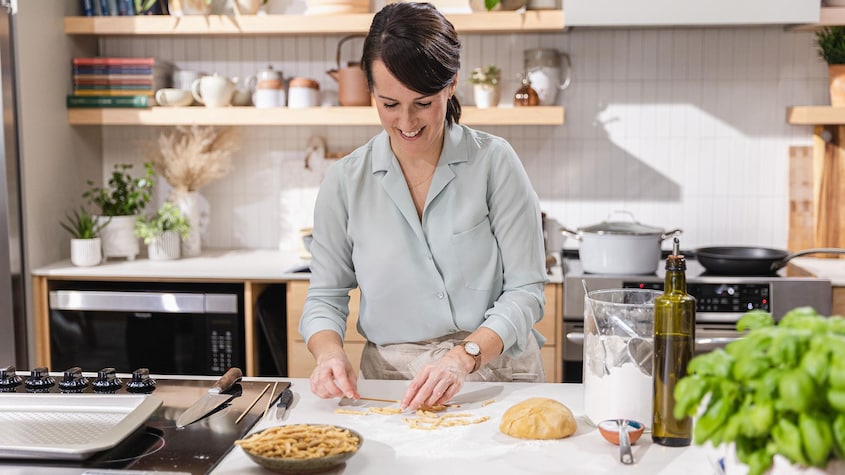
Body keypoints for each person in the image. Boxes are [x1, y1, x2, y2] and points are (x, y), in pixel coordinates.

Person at [299, 1, 547, 411]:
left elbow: (526, 290)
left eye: (424, 102)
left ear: (450, 86)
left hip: (494, 374)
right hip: (393, 384)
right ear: (371, 92)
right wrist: (328, 353)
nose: (407, 123)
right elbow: (325, 296)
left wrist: (462, 357)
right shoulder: (344, 181)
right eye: (389, 104)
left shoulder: (493, 162)